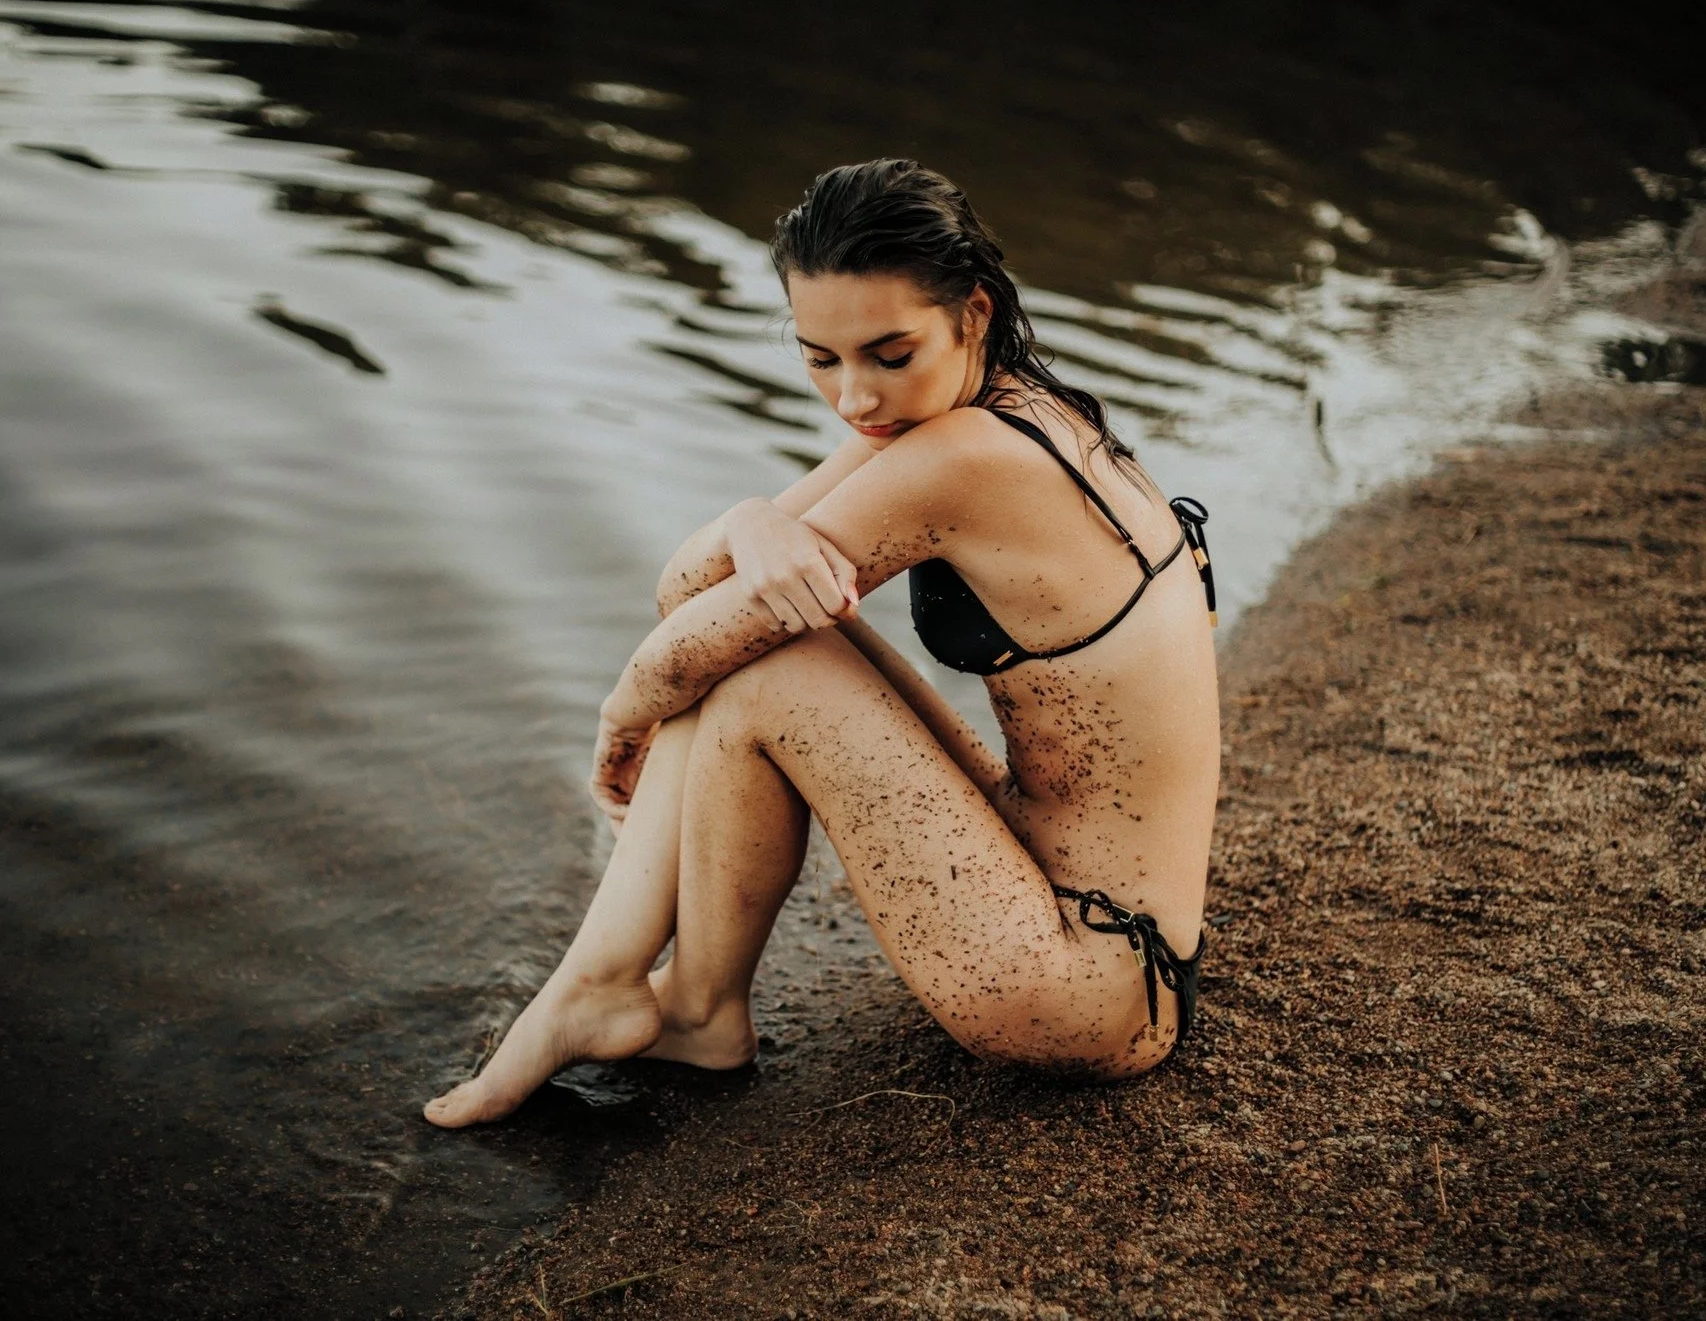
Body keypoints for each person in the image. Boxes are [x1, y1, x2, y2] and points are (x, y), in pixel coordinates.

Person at [425, 159, 1219, 1128]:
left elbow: (688, 630)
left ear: (971, 315)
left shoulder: (962, 458)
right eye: (819, 358)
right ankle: (672, 1003)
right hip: (1097, 919)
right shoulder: (1009, 409)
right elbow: (695, 590)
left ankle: (630, 991)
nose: (853, 400)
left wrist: (619, 720)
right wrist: (753, 519)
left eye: (888, 354)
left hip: (1087, 984)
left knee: (762, 670)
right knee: (768, 647)